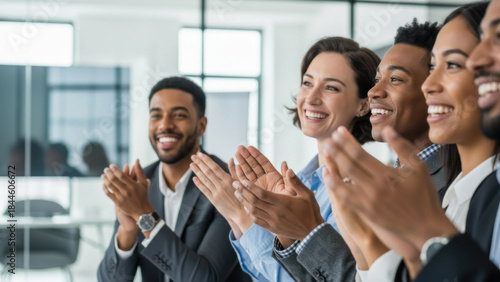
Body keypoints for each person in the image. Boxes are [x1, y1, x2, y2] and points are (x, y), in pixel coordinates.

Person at [232, 19, 442, 282]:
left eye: (331, 87)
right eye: (307, 83)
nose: (375, 91)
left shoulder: (370, 183)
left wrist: (246, 220)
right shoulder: (307, 180)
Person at [321, 0, 500, 280]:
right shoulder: (457, 193)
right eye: (433, 65)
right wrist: (362, 244)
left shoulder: (478, 193)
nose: (429, 84)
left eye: (452, 64)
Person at [191, 37, 379, 281]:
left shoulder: (364, 188)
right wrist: (235, 214)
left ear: (363, 105)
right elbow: (264, 275)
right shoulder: (301, 180)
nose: (311, 98)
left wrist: (242, 217)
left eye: (331, 87)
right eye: (307, 83)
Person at [97, 77, 249, 282]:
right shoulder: (139, 185)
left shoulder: (228, 185)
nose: (165, 125)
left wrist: (143, 215)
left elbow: (205, 279)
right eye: (156, 115)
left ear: (201, 126)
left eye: (178, 115)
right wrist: (127, 229)